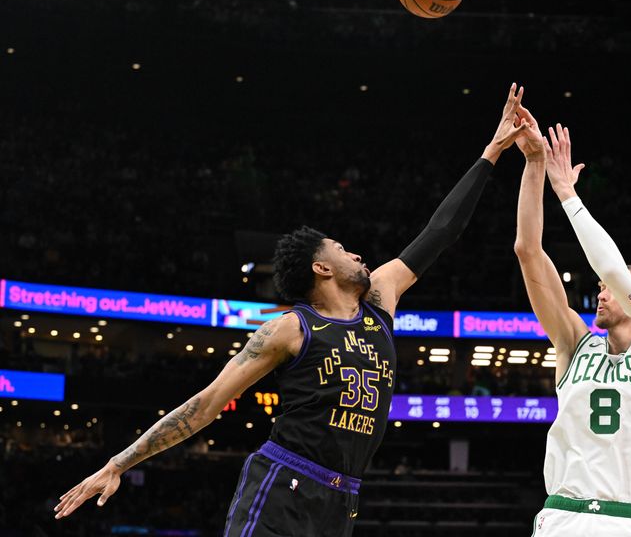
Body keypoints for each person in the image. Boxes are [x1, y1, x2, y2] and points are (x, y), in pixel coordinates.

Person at [54, 83, 533, 536]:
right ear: (321, 268)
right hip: (283, 483)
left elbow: (439, 232)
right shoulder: (290, 329)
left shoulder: (380, 300)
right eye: (344, 249)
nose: (360, 256)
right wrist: (119, 463)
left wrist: (491, 153)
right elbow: (208, 402)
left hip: (342, 498)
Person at [513, 116, 631, 536]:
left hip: (630, 518)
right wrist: (535, 165)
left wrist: (568, 194)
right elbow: (527, 250)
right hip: (563, 514)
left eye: (608, 289)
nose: (600, 294)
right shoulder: (574, 343)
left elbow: (609, 265)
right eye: (598, 288)